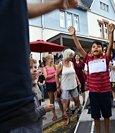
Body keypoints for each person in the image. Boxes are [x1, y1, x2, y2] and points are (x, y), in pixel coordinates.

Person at [0, 0, 77, 132]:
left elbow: (22, 9)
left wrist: (56, 4)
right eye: (32, 68)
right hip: (9, 106)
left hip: (22, 102)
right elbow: (49, 75)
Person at [68, 23, 115, 133]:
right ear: (91, 50)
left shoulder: (105, 58)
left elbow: (110, 45)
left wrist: (111, 33)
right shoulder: (88, 59)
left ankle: (106, 131)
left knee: (107, 114)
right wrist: (74, 35)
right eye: (94, 47)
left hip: (105, 91)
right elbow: (79, 47)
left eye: (98, 47)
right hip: (93, 93)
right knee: (96, 115)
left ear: (102, 50)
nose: (96, 48)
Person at [10, 59, 54, 133]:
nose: (34, 70)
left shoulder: (28, 88)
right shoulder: (22, 92)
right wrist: (43, 109)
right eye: (30, 67)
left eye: (35, 67)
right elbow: (26, 116)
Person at [56, 49, 81, 126]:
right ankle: (68, 118)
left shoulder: (71, 63)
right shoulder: (60, 64)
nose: (72, 57)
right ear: (67, 55)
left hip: (73, 85)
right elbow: (56, 76)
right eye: (71, 55)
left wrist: (78, 81)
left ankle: (77, 115)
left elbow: (74, 73)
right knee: (67, 103)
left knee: (76, 100)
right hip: (65, 86)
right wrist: (58, 87)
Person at [43, 54, 67, 120]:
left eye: (53, 58)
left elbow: (58, 75)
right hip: (49, 85)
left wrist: (52, 75)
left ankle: (63, 113)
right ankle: (54, 114)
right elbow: (46, 77)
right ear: (47, 60)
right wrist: (54, 74)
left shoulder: (55, 66)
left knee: (59, 99)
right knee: (51, 100)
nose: (52, 60)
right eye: (51, 58)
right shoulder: (45, 68)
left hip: (56, 84)